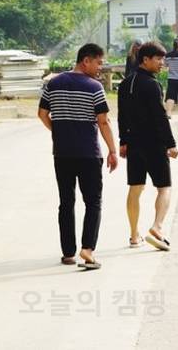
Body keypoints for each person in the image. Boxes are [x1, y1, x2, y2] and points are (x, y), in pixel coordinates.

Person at [37, 43, 119, 269]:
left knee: (66, 202)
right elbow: (103, 121)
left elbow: (42, 114)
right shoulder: (94, 87)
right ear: (86, 61)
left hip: (62, 154)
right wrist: (112, 150)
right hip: (88, 154)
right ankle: (87, 249)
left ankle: (68, 253)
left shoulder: (53, 83)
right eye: (98, 63)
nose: (100, 68)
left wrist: (57, 131)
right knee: (93, 202)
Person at [118, 41, 178, 251]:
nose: (162, 63)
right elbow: (160, 117)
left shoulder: (125, 83)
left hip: (134, 144)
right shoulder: (152, 85)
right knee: (164, 188)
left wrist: (123, 141)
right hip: (154, 144)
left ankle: (134, 235)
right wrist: (171, 144)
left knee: (135, 188)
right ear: (145, 59)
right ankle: (157, 227)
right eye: (158, 59)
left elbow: (122, 115)